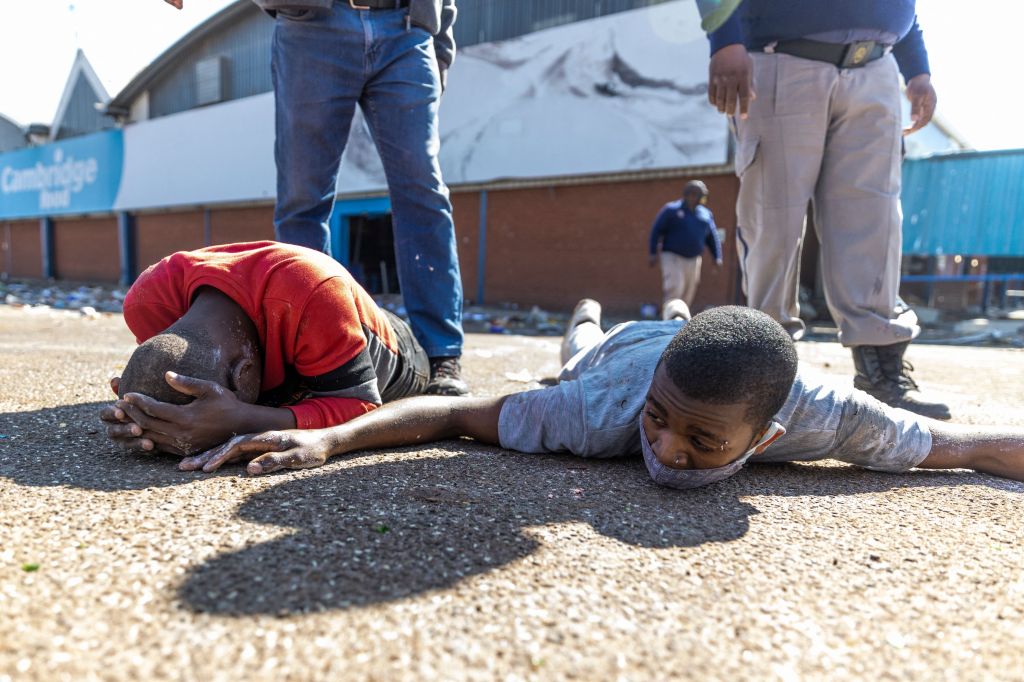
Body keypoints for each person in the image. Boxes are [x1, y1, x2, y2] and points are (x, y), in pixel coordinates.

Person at [175, 300, 1024, 492]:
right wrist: (327, 441)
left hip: (682, 352)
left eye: (705, 443)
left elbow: (971, 447)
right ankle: (591, 317)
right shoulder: (601, 412)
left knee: (664, 332)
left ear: (765, 439)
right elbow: (451, 413)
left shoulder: (827, 415)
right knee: (579, 350)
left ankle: (675, 317)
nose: (667, 449)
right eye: (662, 421)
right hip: (621, 355)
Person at [161, 0, 468, 396]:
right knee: (303, 199)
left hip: (408, 29)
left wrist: (438, 42)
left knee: (423, 192)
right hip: (314, 25)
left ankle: (441, 352)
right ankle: (312, 354)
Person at [703, 1, 949, 420]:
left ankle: (881, 376)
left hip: (877, 68)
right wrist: (724, 41)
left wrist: (918, 70)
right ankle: (764, 380)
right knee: (773, 220)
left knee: (874, 222)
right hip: (780, 58)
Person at [99, 241, 430, 456]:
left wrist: (244, 420)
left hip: (397, 350)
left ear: (244, 374)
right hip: (307, 319)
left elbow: (362, 406)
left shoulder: (316, 294)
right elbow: (161, 367)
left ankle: (444, 362)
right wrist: (137, 404)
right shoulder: (145, 303)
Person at [648, 180, 723, 312]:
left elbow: (712, 236)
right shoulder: (671, 210)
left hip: (694, 259)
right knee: (675, 287)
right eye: (702, 194)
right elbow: (656, 230)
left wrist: (717, 256)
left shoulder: (705, 214)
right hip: (672, 256)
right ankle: (669, 321)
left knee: (688, 292)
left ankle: (680, 322)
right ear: (692, 194)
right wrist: (653, 252)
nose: (704, 198)